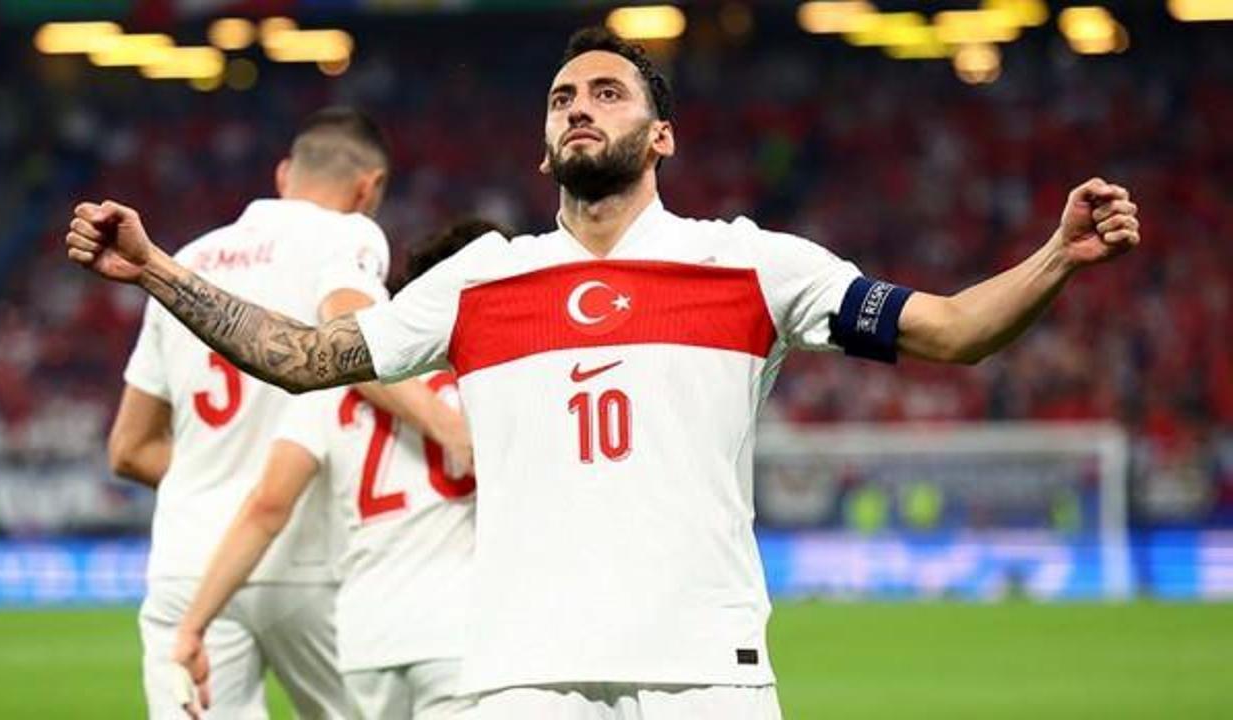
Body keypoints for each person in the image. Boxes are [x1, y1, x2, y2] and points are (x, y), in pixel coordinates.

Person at [67, 27, 1141, 720]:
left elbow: (949, 331)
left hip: (708, 672)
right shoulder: (483, 279)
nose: (579, 105)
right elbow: (304, 360)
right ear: (544, 151)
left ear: (661, 135)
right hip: (523, 680)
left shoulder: (750, 264)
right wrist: (155, 267)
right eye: (561, 98)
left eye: (607, 92)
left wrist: (1056, 257)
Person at [105, 106, 470, 719]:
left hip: (189, 564)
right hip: (307, 558)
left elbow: (128, 448)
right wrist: (447, 425)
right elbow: (350, 330)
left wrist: (212, 481)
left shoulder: (184, 260)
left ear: (283, 174)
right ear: (370, 186)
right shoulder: (348, 234)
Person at [169, 220, 506, 720]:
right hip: (462, 628)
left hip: (367, 639)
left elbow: (266, 507)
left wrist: (193, 625)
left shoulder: (337, 386)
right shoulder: (493, 380)